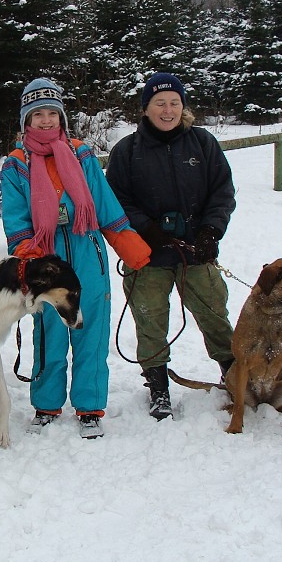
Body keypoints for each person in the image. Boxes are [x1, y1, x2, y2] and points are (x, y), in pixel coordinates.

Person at [1, 78, 151, 439]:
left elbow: (103, 202)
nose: (47, 120)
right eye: (38, 114)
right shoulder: (16, 164)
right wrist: (29, 259)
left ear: (62, 117)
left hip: (89, 259)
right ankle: (46, 404)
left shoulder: (82, 153)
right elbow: (16, 219)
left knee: (91, 335)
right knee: (49, 336)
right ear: (26, 121)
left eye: (53, 113)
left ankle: (89, 406)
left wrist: (129, 245)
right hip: (47, 264)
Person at [106, 72, 236, 421]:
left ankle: (234, 373)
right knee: (149, 319)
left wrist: (211, 230)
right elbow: (114, 199)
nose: (168, 110)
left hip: (197, 250)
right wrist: (145, 227)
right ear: (146, 108)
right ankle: (157, 384)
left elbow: (222, 191)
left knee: (214, 312)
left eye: (174, 103)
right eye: (159, 103)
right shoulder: (126, 151)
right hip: (147, 255)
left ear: (183, 106)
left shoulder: (203, 144)